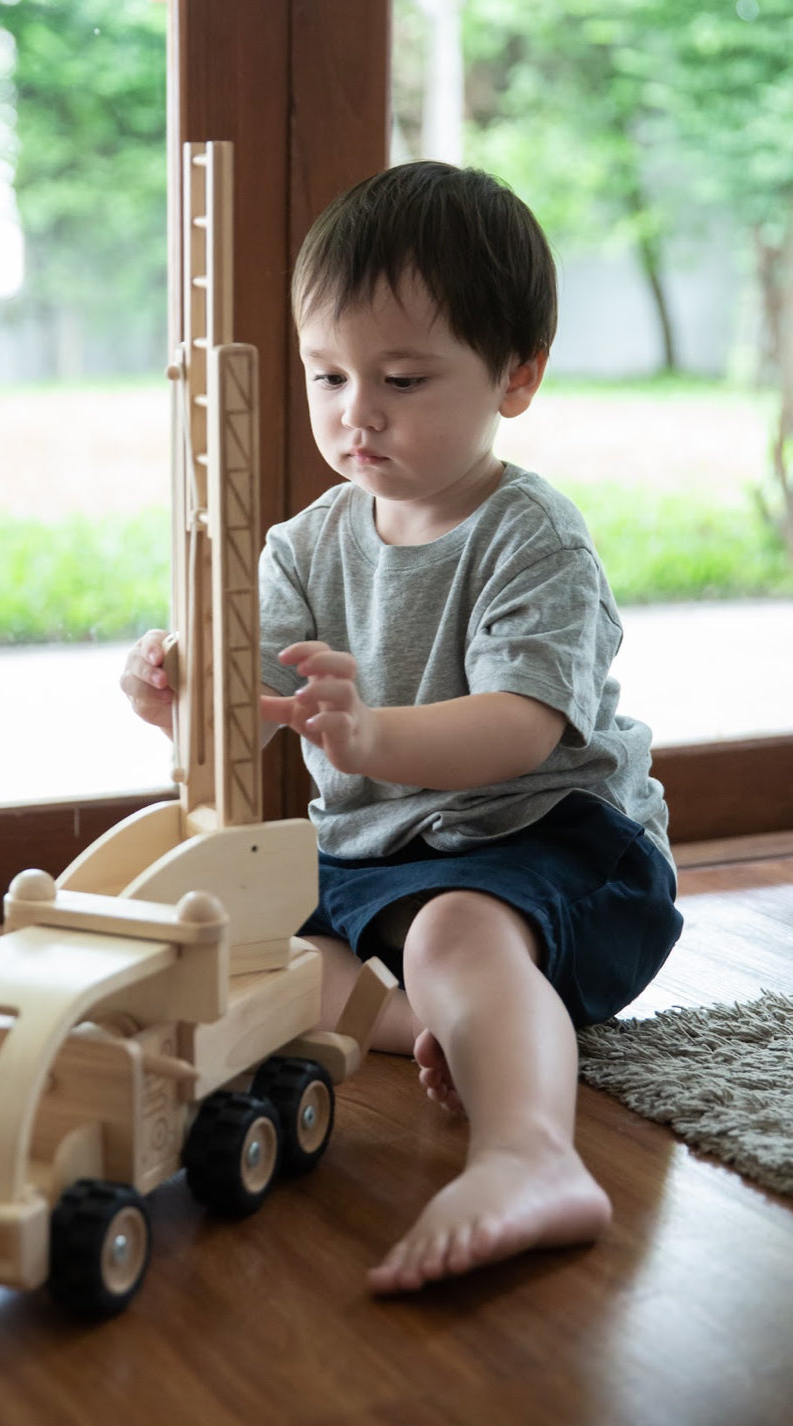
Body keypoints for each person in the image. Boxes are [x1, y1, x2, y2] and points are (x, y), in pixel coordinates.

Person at [121, 160, 682, 1292]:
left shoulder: (531, 538)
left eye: (404, 378)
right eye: (328, 375)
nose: (355, 413)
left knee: (451, 930)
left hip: (554, 846)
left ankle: (531, 1153)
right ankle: (472, 1024)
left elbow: (522, 729)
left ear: (514, 378)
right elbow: (251, 702)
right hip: (383, 862)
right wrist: (179, 693)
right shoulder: (305, 542)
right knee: (255, 963)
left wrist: (372, 738)